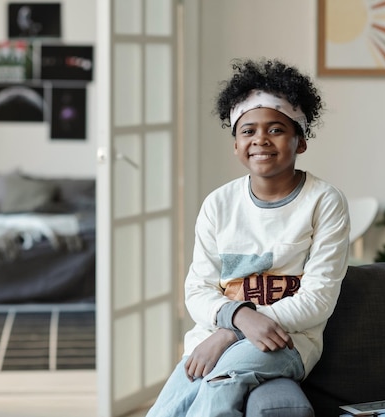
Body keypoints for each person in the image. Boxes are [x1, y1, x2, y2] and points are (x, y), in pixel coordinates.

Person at [145, 57, 351, 417]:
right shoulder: (218, 204)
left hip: (286, 341)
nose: (260, 140)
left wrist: (231, 331)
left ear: (300, 141)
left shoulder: (324, 201)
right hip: (212, 338)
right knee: (168, 407)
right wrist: (238, 319)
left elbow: (318, 300)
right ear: (236, 144)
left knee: (219, 385)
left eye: (276, 129)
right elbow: (197, 290)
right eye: (248, 130)